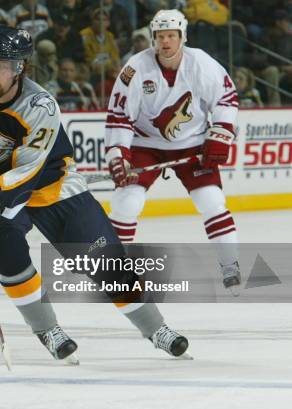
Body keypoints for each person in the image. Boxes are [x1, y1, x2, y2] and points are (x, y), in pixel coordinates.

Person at [0, 25, 189, 362]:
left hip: (49, 185)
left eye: (3, 66)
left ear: (21, 68)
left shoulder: (39, 106)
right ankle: (47, 329)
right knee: (6, 252)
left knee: (105, 263)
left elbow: (27, 171)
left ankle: (155, 328)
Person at [104, 10, 241, 294]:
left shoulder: (201, 62)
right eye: (160, 36)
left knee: (211, 200)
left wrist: (220, 133)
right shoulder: (135, 68)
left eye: (171, 36)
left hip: (191, 143)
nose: (165, 42)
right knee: (126, 203)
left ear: (182, 36)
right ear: (153, 38)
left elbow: (226, 98)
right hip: (145, 145)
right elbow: (119, 115)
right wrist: (118, 154)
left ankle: (231, 265)